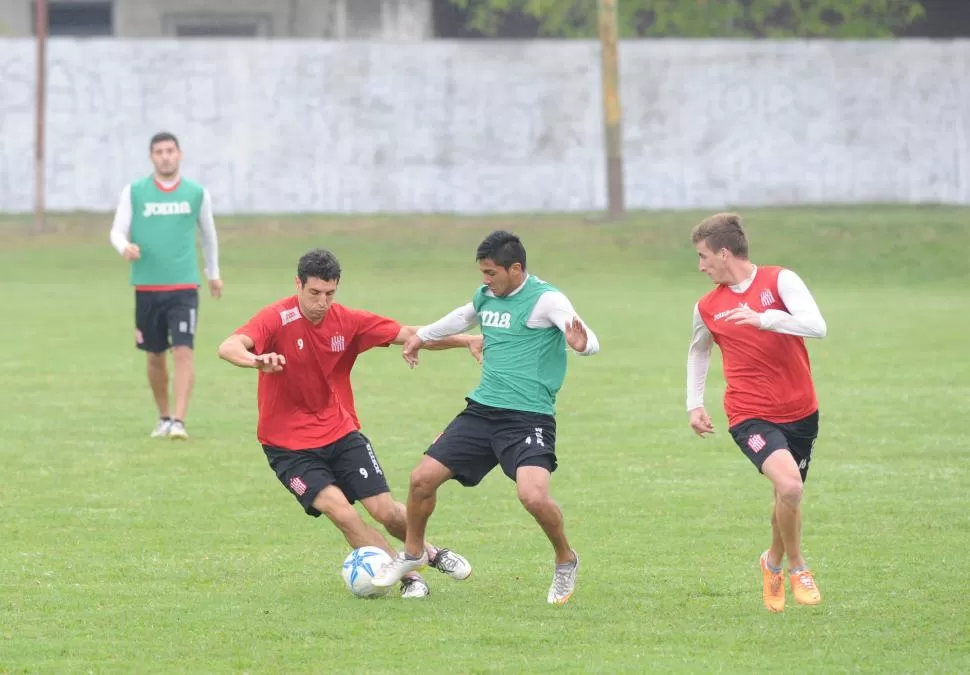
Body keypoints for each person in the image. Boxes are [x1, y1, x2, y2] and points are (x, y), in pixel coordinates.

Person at [217, 248, 478, 598]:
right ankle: (409, 579)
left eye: (330, 294)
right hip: (288, 447)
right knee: (343, 514)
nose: (322, 303)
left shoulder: (347, 321)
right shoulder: (276, 318)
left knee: (385, 511)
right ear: (298, 284)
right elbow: (228, 346)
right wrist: (255, 360)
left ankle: (431, 553)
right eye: (314, 293)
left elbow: (411, 333)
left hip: (340, 433)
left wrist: (464, 340)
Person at [370, 230, 600, 606]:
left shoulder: (546, 300)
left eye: (491, 272)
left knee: (534, 496)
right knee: (421, 480)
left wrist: (583, 344)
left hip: (529, 418)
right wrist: (420, 337)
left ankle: (565, 558)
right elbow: (461, 318)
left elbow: (586, 337)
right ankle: (413, 553)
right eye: (482, 272)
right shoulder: (487, 296)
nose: (485, 279)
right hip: (482, 411)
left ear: (516, 268)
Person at [684, 212, 826, 613]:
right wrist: (694, 403)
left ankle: (772, 562)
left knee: (786, 493)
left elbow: (817, 327)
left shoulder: (780, 281)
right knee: (792, 486)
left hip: (801, 410)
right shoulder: (707, 306)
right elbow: (698, 350)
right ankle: (798, 566)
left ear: (724, 253)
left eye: (703, 256)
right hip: (749, 414)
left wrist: (764, 319)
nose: (700, 266)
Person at [109, 131, 222, 440]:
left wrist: (213, 273)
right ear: (152, 157)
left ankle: (179, 422)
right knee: (155, 356)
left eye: (170, 150)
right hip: (147, 287)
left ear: (179, 154)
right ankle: (163, 416)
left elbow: (209, 235)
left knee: (183, 350)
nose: (165, 156)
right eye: (159, 152)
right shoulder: (135, 192)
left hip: (184, 286)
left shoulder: (197, 193)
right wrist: (124, 248)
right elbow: (117, 231)